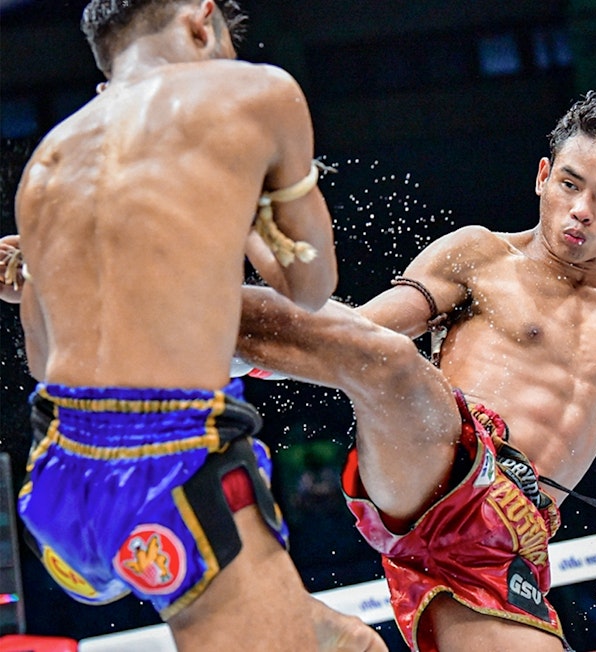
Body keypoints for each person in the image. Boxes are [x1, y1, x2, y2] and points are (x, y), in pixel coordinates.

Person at [233, 90, 596, 651]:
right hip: (443, 460)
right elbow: (370, 330)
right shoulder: (480, 256)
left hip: (506, 546)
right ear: (542, 176)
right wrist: (272, 348)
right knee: (390, 359)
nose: (582, 209)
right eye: (570, 183)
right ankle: (211, 333)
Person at [0, 1, 385, 649]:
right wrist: (259, 208)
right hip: (168, 463)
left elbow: (42, 359)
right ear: (203, 21)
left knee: (348, 643)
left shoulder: (49, 159)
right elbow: (309, 288)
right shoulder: (254, 92)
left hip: (59, 480)